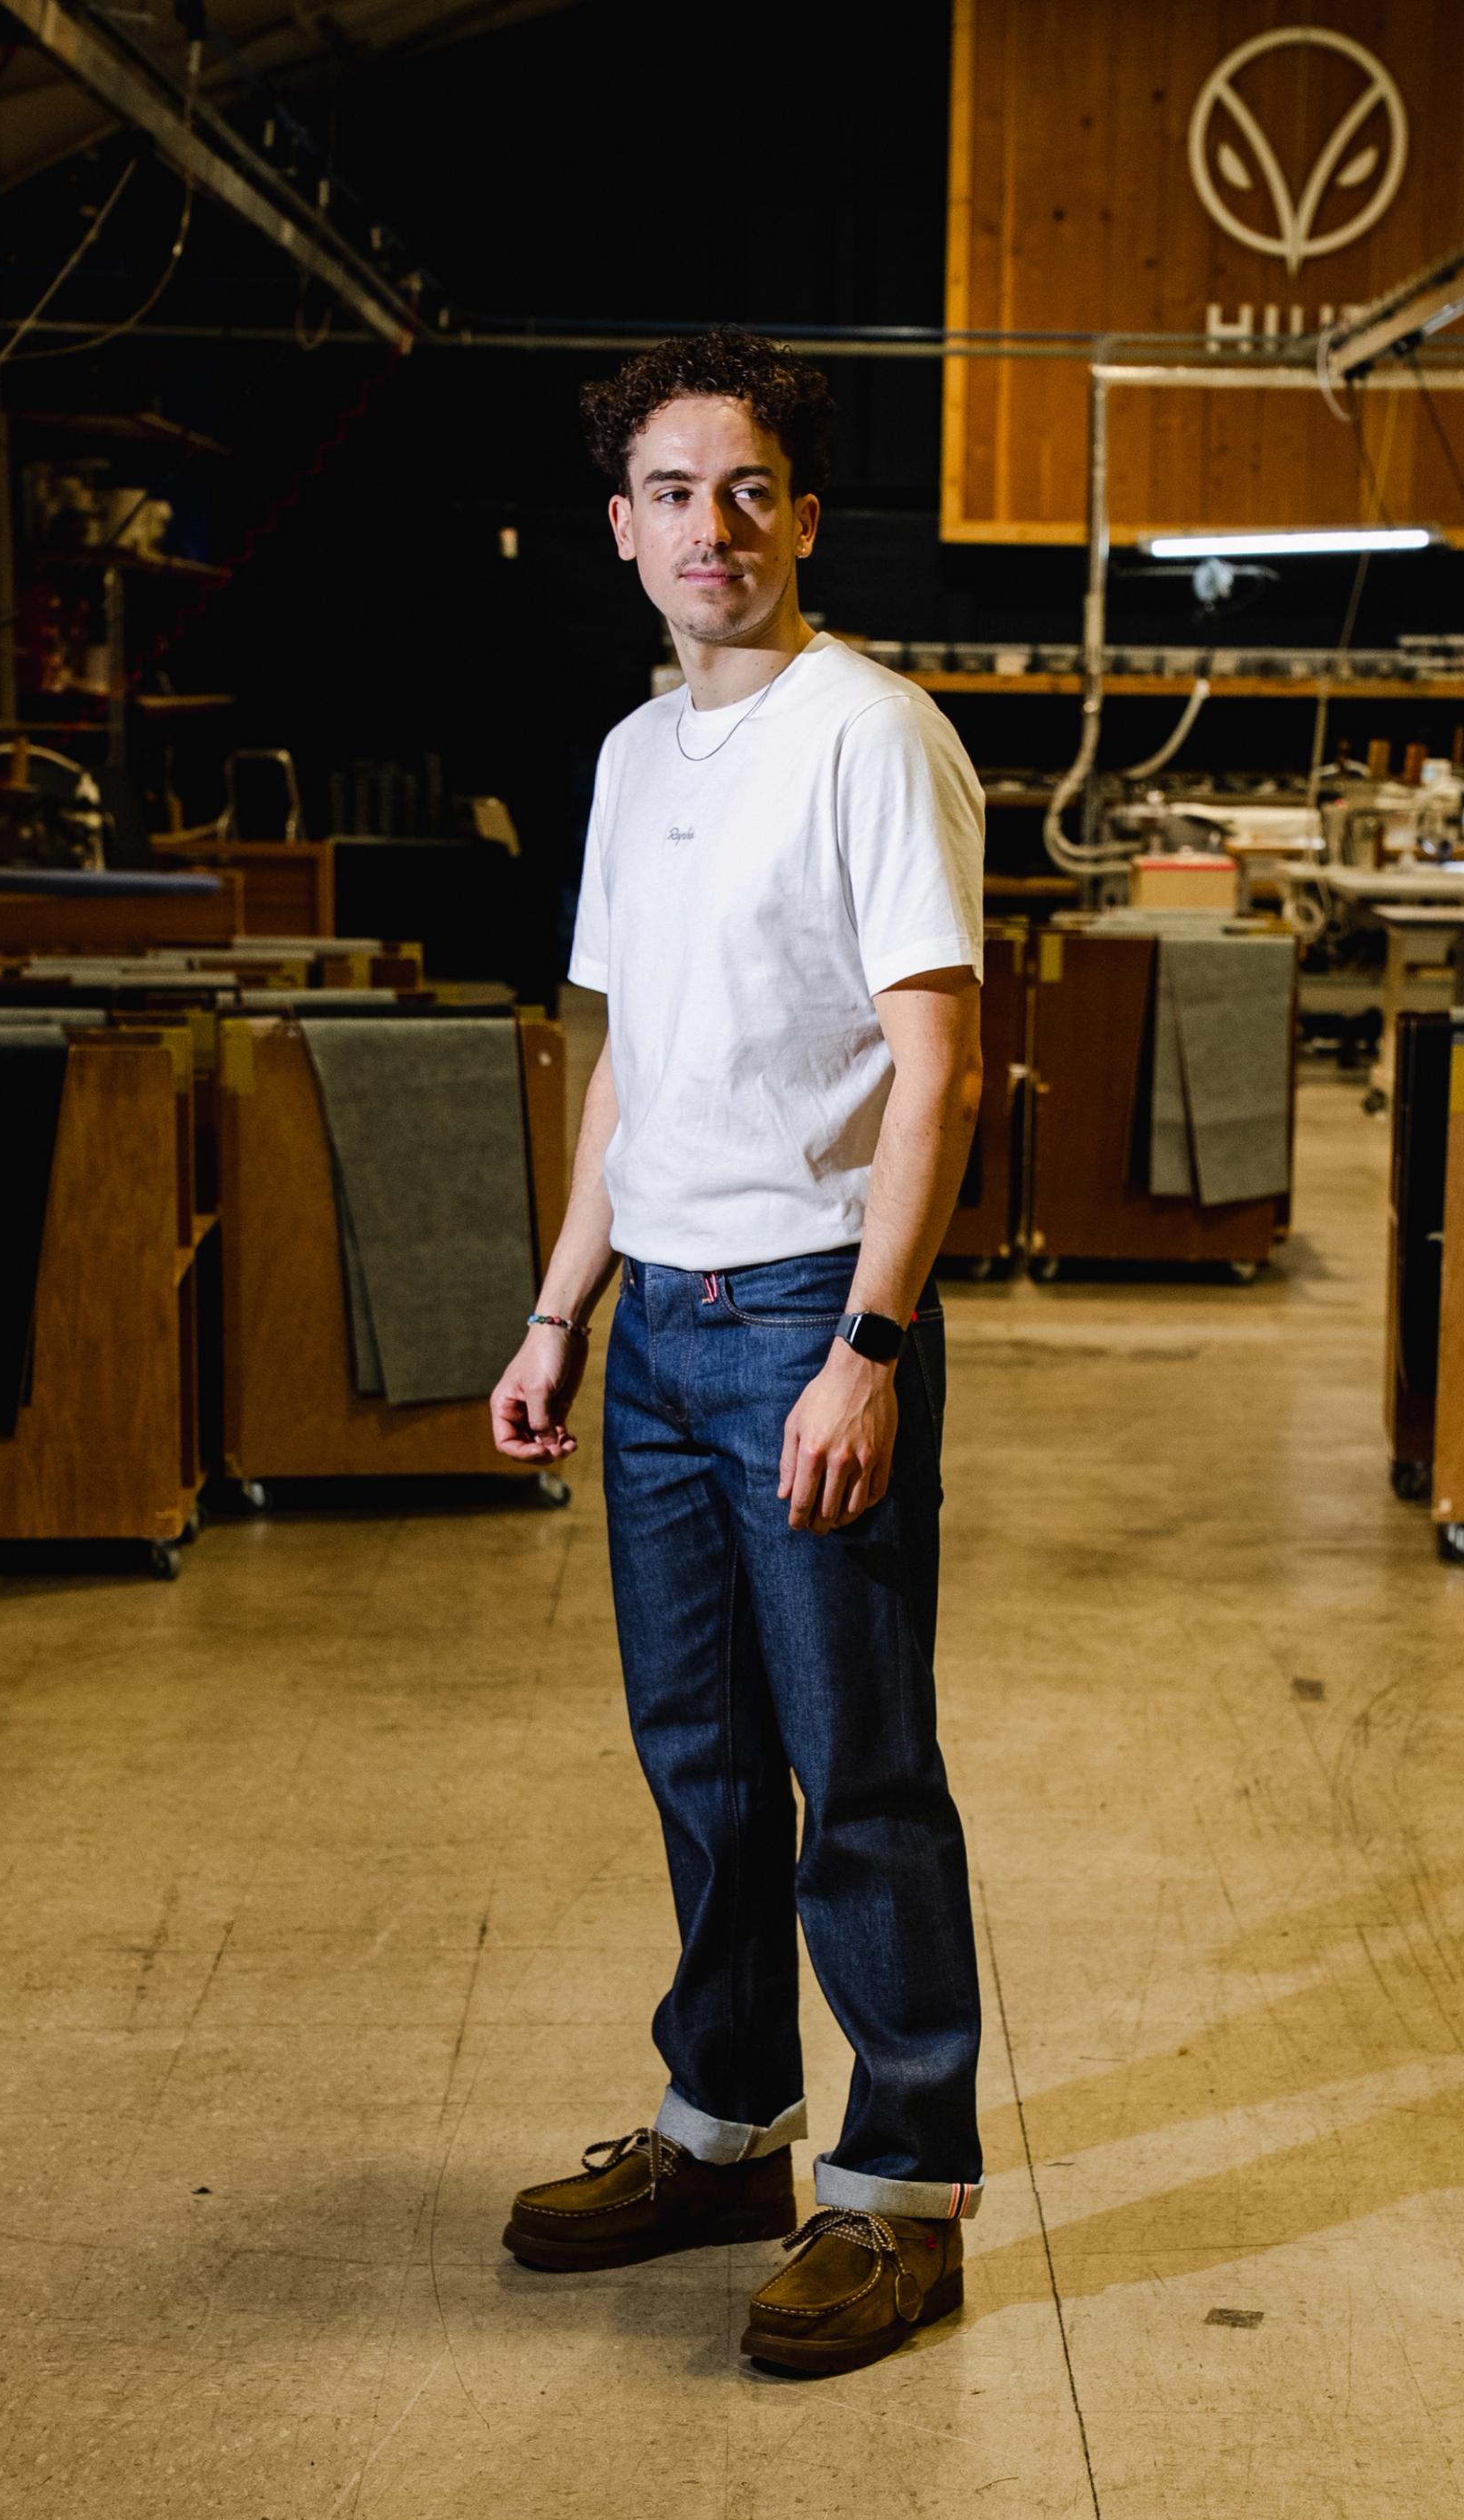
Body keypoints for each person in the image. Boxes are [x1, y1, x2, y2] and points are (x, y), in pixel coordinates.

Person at [489, 330, 986, 2379]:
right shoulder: (632, 758)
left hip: (801, 1310)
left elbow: (940, 1067)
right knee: (698, 1756)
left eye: (752, 488)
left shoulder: (870, 733)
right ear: (623, 529)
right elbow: (626, 1066)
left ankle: (903, 2190)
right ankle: (724, 2130)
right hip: (664, 1330)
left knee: (854, 1766)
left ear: (804, 515)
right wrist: (560, 1310)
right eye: (678, 493)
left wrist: (866, 1347)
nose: (718, 526)